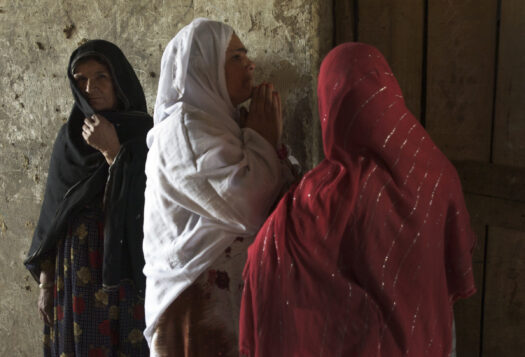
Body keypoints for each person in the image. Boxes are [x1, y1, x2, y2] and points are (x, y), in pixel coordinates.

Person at [239, 42, 476, 356]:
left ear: (330, 106)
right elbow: (451, 268)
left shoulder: (319, 197)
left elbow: (267, 254)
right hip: (429, 339)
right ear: (389, 92)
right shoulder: (438, 174)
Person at [142, 18, 296, 356]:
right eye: (236, 58)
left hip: (229, 300)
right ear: (202, 67)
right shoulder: (182, 133)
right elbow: (247, 206)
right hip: (192, 304)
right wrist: (261, 140)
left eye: (246, 55)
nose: (250, 64)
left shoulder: (225, 125)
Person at [24, 40, 152, 356]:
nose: (90, 87)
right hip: (76, 270)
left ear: (119, 79)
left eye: (101, 77)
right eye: (80, 79)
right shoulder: (69, 138)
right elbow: (54, 217)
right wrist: (45, 283)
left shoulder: (148, 134)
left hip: (129, 269)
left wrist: (112, 152)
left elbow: (154, 204)